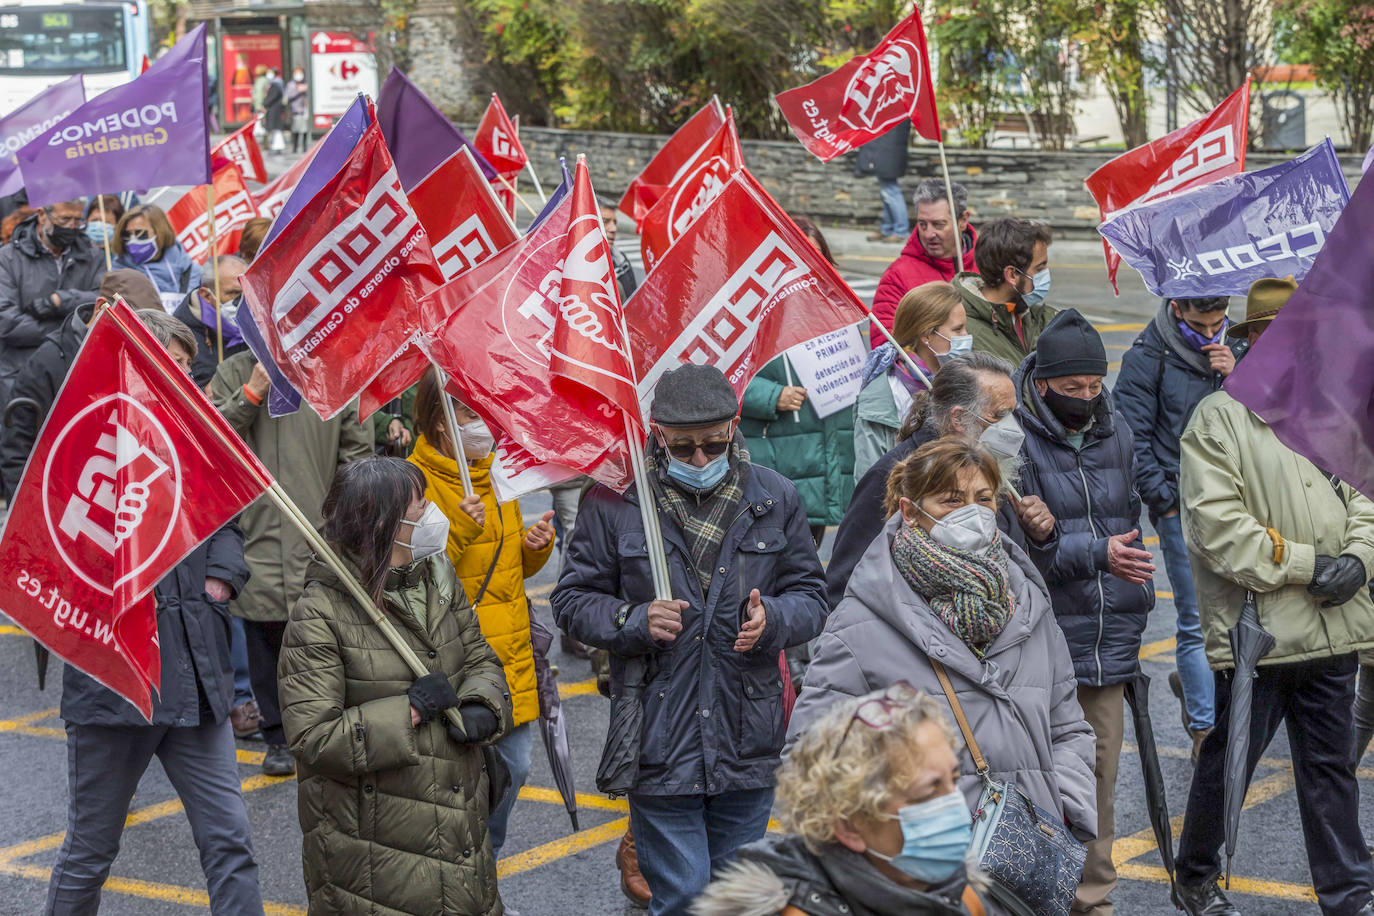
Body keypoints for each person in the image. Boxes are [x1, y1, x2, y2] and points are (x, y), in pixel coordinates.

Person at [552, 364, 828, 916]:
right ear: (657, 436)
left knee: (737, 901)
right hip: (658, 732)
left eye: (712, 444)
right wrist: (633, 619)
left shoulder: (775, 497)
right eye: (683, 449)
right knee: (681, 897)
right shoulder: (614, 501)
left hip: (746, 735)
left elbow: (813, 597)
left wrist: (773, 619)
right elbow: (571, 600)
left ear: (733, 428)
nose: (700, 459)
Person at [43, 309, 263, 916]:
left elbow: (227, 522)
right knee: (91, 850)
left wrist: (222, 577)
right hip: (116, 684)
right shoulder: (82, 440)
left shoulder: (194, 437)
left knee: (230, 842)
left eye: (186, 369)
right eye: (166, 364)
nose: (179, 380)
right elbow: (61, 552)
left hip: (197, 672)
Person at [1173, 277, 1374, 916]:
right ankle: (1197, 876)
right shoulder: (1219, 418)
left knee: (1330, 773)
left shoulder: (1331, 410)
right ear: (1254, 338)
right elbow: (1217, 528)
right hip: (1260, 631)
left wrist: (1361, 560)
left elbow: (1365, 498)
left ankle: (1348, 894)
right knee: (1226, 771)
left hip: (1333, 626)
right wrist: (1313, 565)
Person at [789, 439, 1097, 844]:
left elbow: (1068, 725)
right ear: (909, 512)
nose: (971, 512)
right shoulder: (861, 624)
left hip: (1026, 856)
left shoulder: (1028, 603)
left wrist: (1065, 807)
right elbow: (810, 755)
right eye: (951, 500)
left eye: (983, 498)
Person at [278, 457, 513, 916]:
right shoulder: (319, 614)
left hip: (458, 824)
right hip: (376, 853)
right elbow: (313, 737)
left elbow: (479, 655)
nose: (432, 514)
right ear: (386, 522)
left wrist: (483, 701)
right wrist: (411, 710)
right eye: (421, 505)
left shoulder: (438, 577)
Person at [1011, 308, 1154, 915]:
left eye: (1095, 387)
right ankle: (1029, 895)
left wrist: (1118, 562)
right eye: (1073, 389)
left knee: (1098, 780)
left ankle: (1093, 903)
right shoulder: (1010, 440)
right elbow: (1012, 554)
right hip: (1039, 643)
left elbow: (1127, 520)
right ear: (1042, 383)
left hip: (1108, 637)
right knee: (1029, 781)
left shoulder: (1115, 428)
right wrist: (1095, 552)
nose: (1088, 398)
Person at [407, 367, 557, 855]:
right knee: (464, 791)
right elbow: (410, 579)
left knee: (513, 773)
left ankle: (484, 882)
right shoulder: (414, 482)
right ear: (440, 422)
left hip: (509, 655)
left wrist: (534, 549)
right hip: (457, 664)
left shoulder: (496, 471)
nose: (484, 425)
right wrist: (460, 530)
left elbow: (507, 565)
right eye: (472, 413)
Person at [694, 684, 1002, 916]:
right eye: (928, 792)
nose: (956, 806)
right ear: (849, 826)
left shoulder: (963, 896)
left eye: (954, 780)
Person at [211, 351, 373, 776]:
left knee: (324, 642)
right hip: (255, 534)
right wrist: (252, 393)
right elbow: (211, 443)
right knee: (264, 649)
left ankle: (326, 730)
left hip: (317, 535)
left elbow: (356, 456)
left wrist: (344, 523)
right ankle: (277, 738)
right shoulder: (232, 370)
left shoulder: (333, 368)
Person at [1113, 295, 1239, 757]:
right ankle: (1204, 731)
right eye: (1199, 326)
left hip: (1240, 502)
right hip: (1181, 506)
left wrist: (1236, 378)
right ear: (1177, 308)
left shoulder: (1236, 349)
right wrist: (1164, 503)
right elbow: (1132, 435)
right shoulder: (1148, 355)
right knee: (1195, 619)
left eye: (1217, 324)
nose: (1209, 336)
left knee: (1244, 615)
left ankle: (1206, 694)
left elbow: (1270, 417)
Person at [828, 352, 1055, 608]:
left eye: (1013, 413)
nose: (1012, 427)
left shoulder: (995, 464)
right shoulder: (896, 474)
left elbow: (1018, 574)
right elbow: (847, 582)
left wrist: (1040, 539)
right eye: (998, 415)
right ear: (958, 418)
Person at [741, 218, 855, 548]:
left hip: (827, 453)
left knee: (809, 556)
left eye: (816, 253)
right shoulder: (754, 309)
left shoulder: (839, 305)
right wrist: (771, 395)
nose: (809, 263)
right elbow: (725, 377)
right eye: (797, 254)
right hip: (780, 455)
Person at [1, 269, 161, 496]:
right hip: (55, 500)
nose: (135, 336)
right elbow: (17, 446)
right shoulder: (48, 361)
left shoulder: (137, 357)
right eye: (129, 324)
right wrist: (29, 504)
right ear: (100, 307)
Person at [0, 198, 105, 447]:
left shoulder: (93, 254)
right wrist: (64, 332)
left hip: (77, 369)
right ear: (41, 215)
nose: (71, 226)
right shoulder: (8, 258)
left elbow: (102, 298)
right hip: (17, 371)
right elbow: (6, 320)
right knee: (21, 444)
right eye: (64, 219)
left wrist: (61, 300)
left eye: (77, 220)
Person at [853, 282, 964, 478]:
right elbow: (870, 481)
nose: (966, 336)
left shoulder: (964, 380)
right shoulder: (889, 395)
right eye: (958, 329)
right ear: (927, 335)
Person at [870, 179, 977, 348]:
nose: (929, 234)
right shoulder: (897, 276)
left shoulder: (987, 264)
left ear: (963, 220)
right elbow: (885, 344)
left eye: (938, 224)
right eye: (922, 224)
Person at [955, 218, 1057, 364]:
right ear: (1012, 275)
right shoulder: (966, 336)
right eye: (1039, 268)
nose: (1046, 274)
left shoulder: (1037, 315)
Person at [172, 254, 249, 390]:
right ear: (206, 295)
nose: (243, 301)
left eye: (246, 292)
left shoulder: (259, 319)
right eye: (233, 293)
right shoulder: (179, 336)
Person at [111, 204, 201, 313]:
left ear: (159, 231)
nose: (132, 240)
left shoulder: (189, 269)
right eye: (127, 234)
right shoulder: (119, 274)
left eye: (140, 233)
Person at [854, 120, 911, 245]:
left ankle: (900, 230)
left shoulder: (895, 106)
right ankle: (887, 228)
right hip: (888, 150)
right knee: (887, 192)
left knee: (891, 191)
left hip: (888, 150)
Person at [599, 198, 638, 302]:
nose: (613, 229)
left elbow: (633, 303)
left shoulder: (621, 261)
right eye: (605, 221)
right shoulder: (572, 265)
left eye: (615, 222)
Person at [285, 67, 310, 153]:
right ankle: (295, 147)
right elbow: (289, 96)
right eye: (297, 73)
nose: (299, 75)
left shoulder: (306, 83)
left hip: (305, 110)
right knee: (295, 129)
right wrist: (298, 91)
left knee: (305, 129)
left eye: (300, 73)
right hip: (295, 110)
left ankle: (304, 147)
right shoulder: (291, 84)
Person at [263, 67, 286, 153]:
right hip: (273, 109)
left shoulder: (276, 84)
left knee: (276, 128)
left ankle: (278, 146)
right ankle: (275, 145)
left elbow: (273, 97)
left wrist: (265, 103)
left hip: (275, 109)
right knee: (274, 129)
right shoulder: (273, 84)